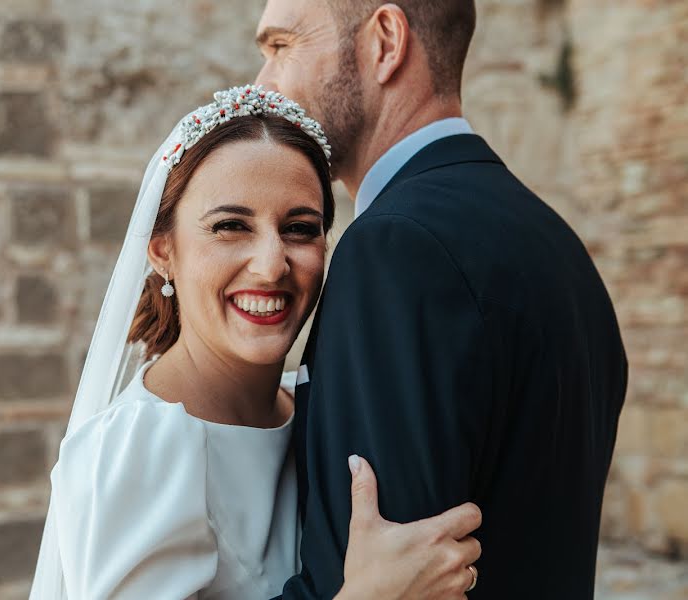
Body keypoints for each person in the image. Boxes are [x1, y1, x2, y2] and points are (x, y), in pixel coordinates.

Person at [28, 86, 483, 599]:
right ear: (162, 252)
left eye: (299, 228)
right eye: (230, 226)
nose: (271, 265)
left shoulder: (318, 409)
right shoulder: (137, 450)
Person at [254, 1, 628, 598]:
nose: (262, 84)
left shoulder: (395, 249)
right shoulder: (560, 245)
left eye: (282, 46)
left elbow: (356, 577)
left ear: (384, 42)